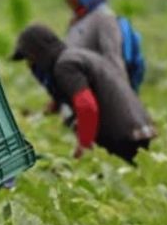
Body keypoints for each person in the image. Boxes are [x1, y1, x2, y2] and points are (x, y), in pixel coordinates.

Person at [12, 24, 156, 164]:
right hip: (141, 129)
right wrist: (40, 115)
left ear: (38, 53)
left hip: (123, 138)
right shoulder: (77, 55)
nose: (29, 65)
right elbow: (70, 94)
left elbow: (87, 106)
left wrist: (84, 147)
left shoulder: (64, 66)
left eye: (29, 58)